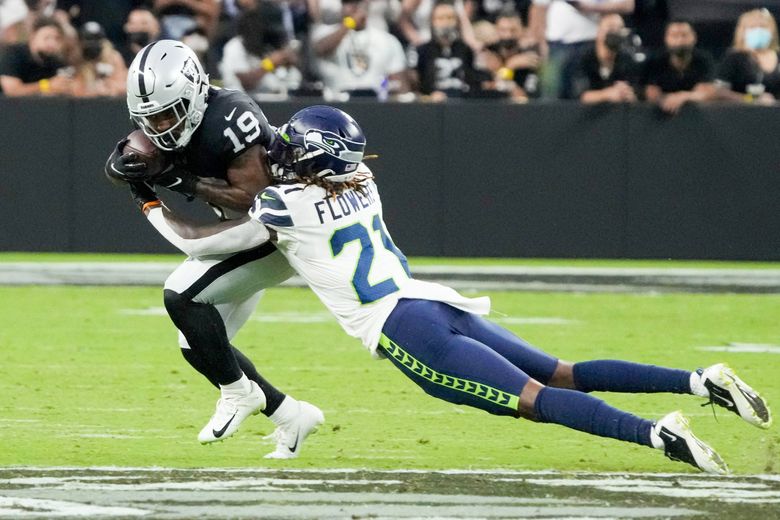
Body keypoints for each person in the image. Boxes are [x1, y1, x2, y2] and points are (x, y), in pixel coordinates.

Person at [138, 105, 772, 472]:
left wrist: (152, 196)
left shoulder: (286, 204)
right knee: (562, 371)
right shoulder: (361, 179)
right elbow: (301, 168)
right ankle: (697, 380)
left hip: (402, 328)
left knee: (536, 399)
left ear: (307, 156)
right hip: (434, 302)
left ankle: (657, 435)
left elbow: (202, 243)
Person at [103, 40, 323, 459]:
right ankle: (289, 414)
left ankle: (240, 393)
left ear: (194, 93)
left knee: (182, 295)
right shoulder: (163, 126)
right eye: (150, 119)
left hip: (277, 230)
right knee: (197, 343)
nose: (161, 128)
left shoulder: (231, 116)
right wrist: (124, 169)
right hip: (243, 232)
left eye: (168, 113)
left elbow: (253, 197)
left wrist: (172, 182)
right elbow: (131, 159)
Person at [528, 0, 634, 98]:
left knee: (590, 93)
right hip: (557, 44)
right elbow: (538, 8)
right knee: (551, 94)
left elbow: (628, 5)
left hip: (594, 43)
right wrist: (540, 43)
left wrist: (591, 7)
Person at [310, 0, 409, 100]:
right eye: (349, 3)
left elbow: (399, 82)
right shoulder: (324, 32)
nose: (354, 7)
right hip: (336, 102)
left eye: (358, 3)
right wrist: (350, 23)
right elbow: (321, 49)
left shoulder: (387, 40)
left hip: (375, 104)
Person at [219, 2, 303, 100]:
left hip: (273, 106)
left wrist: (289, 66)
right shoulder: (235, 46)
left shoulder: (268, 47)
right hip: (239, 106)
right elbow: (246, 83)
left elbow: (288, 84)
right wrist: (270, 64)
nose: (272, 36)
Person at [641, 20, 715, 115]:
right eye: (674, 36)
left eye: (684, 35)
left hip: (697, 117)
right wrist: (667, 100)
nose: (680, 41)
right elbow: (651, 94)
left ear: (694, 38)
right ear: (666, 39)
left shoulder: (704, 60)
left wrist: (682, 97)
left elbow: (706, 92)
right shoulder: (655, 62)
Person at [414, 0, 481, 101]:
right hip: (432, 106)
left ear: (457, 21)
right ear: (432, 22)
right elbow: (417, 85)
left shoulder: (465, 50)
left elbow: (472, 81)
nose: (445, 23)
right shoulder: (423, 51)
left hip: (462, 104)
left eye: (450, 18)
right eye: (440, 18)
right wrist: (428, 96)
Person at [567, 13, 639, 103]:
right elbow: (580, 95)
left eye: (620, 28)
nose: (615, 32)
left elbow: (636, 93)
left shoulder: (626, 60)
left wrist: (628, 95)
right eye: (611, 27)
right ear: (599, 31)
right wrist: (607, 94)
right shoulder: (582, 57)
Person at [714, 8, 780, 105]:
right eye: (753, 27)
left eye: (763, 27)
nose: (759, 31)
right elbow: (719, 91)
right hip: (742, 114)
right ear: (743, 31)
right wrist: (751, 99)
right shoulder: (734, 57)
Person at [0, 16, 73, 96]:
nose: (52, 43)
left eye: (57, 38)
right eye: (47, 38)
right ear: (33, 36)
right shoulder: (14, 54)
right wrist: (47, 85)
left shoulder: (55, 61)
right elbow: (12, 91)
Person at [481, 9, 542, 100]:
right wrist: (509, 66)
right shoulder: (489, 52)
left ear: (522, 30)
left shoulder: (529, 55)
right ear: (496, 30)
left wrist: (503, 71)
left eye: (513, 30)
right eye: (503, 30)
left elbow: (525, 98)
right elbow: (484, 90)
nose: (508, 35)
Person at [71, 21, 127, 98]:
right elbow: (72, 88)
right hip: (82, 104)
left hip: (109, 103)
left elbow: (123, 85)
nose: (92, 44)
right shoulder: (76, 58)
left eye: (96, 40)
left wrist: (108, 87)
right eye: (88, 40)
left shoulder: (113, 57)